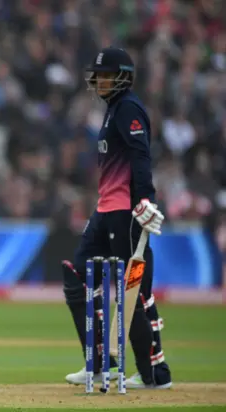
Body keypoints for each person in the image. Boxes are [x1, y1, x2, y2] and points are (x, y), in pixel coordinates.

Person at [61, 46, 172, 389]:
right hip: (105, 210)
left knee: (133, 292)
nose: (101, 80)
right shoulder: (113, 110)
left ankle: (154, 375)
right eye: (99, 75)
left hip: (126, 213)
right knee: (77, 275)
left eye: (108, 74)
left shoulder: (128, 109)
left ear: (123, 76)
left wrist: (144, 201)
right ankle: (97, 364)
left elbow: (141, 156)